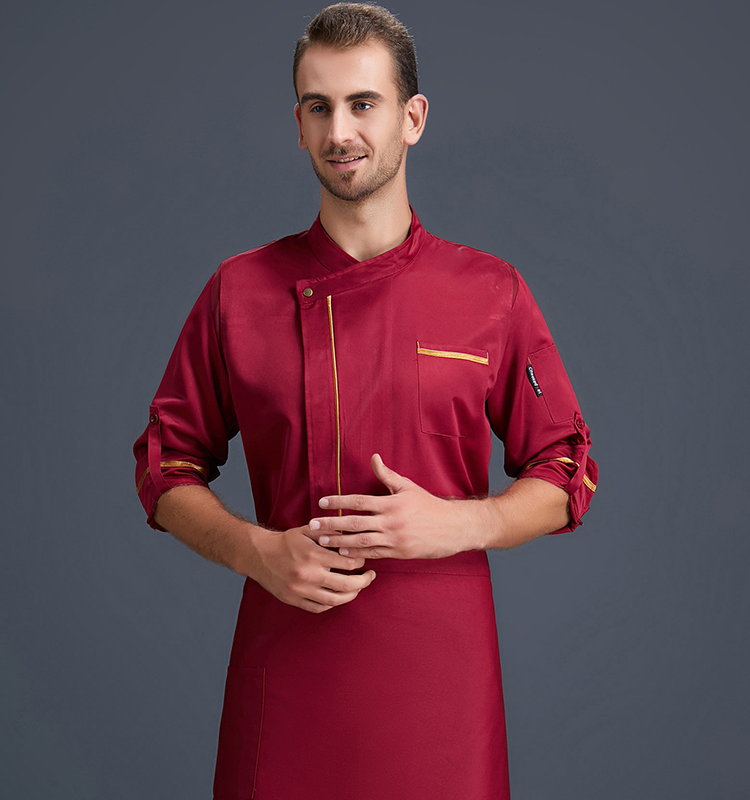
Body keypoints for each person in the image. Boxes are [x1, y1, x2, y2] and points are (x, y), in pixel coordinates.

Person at [133, 4, 597, 798]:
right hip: (287, 676)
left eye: (363, 103)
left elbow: (567, 469)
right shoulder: (238, 292)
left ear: (413, 118)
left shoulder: (490, 292)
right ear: (298, 125)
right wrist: (254, 551)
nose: (340, 130)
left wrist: (464, 522)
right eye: (319, 107)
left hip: (440, 689)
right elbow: (164, 465)